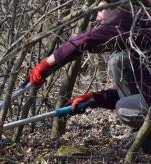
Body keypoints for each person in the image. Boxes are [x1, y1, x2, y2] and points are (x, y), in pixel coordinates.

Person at [25, 0, 151, 153]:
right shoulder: (137, 25)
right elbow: (141, 92)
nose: (97, 18)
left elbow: (86, 40)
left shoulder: (134, 19)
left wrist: (45, 64)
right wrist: (93, 98)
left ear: (118, 7)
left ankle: (145, 137)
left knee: (123, 109)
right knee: (118, 61)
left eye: (100, 10)